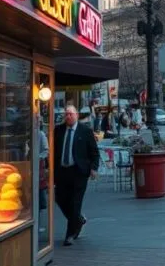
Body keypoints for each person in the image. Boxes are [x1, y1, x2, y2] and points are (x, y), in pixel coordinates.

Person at [53, 105, 99, 246]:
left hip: (78, 172)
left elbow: (94, 152)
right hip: (62, 172)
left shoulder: (85, 131)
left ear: (77, 115)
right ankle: (78, 220)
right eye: (66, 114)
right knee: (60, 198)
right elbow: (54, 151)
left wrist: (93, 168)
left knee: (75, 203)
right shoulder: (58, 130)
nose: (68, 117)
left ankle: (70, 234)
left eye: (71, 114)